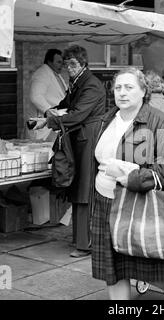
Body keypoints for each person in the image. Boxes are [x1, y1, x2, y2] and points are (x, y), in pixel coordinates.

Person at [91, 67, 164, 300]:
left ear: (144, 91)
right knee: (113, 270)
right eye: (118, 87)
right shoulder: (106, 120)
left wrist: (131, 178)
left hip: (137, 202)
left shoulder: (161, 122)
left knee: (146, 262)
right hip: (105, 201)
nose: (122, 93)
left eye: (129, 87)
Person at [45, 45, 107, 258]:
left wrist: (50, 120)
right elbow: (65, 105)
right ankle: (80, 240)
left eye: (73, 64)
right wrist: (48, 114)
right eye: (66, 64)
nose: (68, 68)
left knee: (84, 190)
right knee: (77, 188)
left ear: (83, 64)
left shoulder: (91, 85)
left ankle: (85, 244)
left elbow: (78, 114)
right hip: (79, 138)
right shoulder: (77, 81)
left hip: (89, 139)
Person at [29, 49, 68, 140]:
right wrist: (48, 110)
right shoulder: (42, 74)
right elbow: (35, 96)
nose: (61, 65)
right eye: (58, 62)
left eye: (62, 62)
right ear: (49, 62)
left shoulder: (56, 74)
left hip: (56, 122)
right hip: (44, 124)